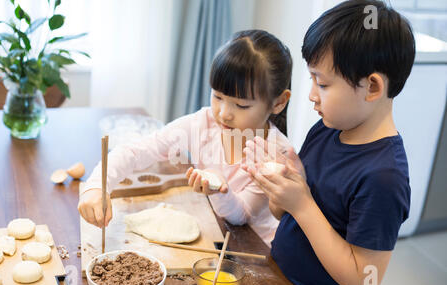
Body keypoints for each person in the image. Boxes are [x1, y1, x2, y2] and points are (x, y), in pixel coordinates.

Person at [243, 0, 414, 285]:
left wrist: (302, 204)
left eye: (321, 83)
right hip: (277, 276)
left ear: (372, 87)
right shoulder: (325, 130)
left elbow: (364, 283)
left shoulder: (384, 177)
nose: (311, 95)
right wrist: (282, 188)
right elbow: (283, 215)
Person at [78, 29, 294, 246]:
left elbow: (242, 216)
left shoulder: (277, 155)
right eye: (217, 96)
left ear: (278, 102)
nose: (224, 113)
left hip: (257, 252)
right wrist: (97, 186)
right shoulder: (202, 124)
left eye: (241, 105)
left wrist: (218, 188)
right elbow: (136, 151)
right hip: (218, 233)